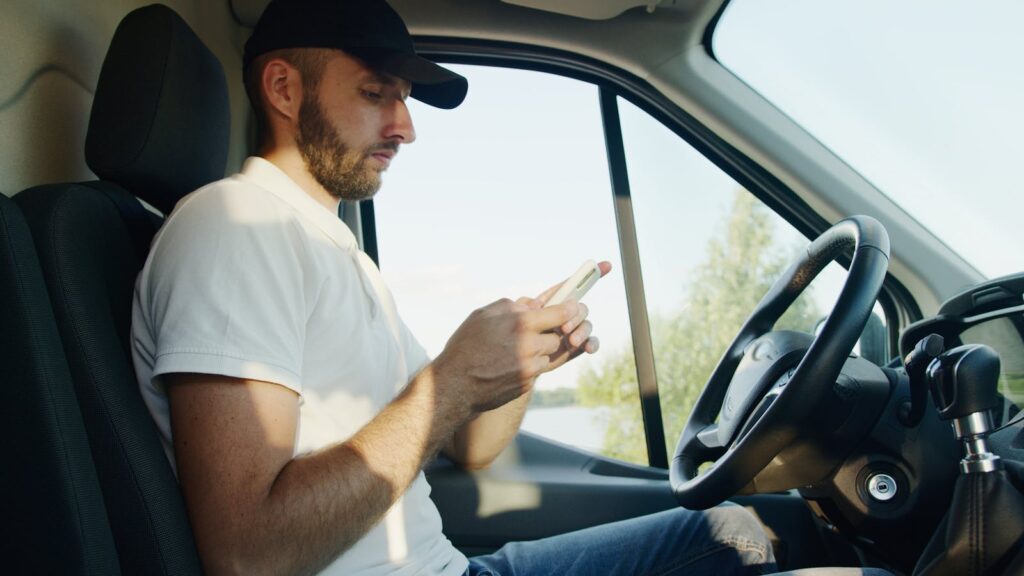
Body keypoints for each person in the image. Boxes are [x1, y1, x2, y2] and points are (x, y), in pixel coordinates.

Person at [130, 0, 777, 575]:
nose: (405, 126)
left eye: (404, 98)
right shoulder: (235, 228)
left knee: (737, 530)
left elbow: (472, 445)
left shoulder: (333, 251)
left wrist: (521, 364)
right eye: (377, 92)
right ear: (284, 88)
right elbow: (250, 554)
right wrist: (455, 381)